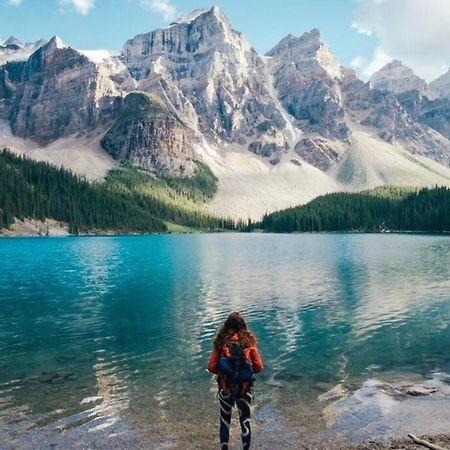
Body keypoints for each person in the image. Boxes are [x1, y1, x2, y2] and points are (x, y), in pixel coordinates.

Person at [207, 312, 264, 450]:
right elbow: (259, 367)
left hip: (225, 389)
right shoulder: (249, 343)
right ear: (243, 326)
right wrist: (243, 373)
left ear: (226, 327)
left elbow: (211, 367)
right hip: (244, 391)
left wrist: (225, 372)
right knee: (244, 421)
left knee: (224, 422)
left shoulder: (221, 343)